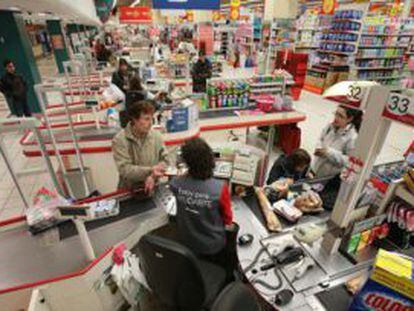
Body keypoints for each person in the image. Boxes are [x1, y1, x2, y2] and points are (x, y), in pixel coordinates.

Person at [169, 138, 233, 264]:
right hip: (212, 245)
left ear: (187, 162)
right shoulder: (220, 188)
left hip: (186, 242)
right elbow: (228, 220)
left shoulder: (175, 184)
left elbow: (180, 181)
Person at [112, 100, 169, 193]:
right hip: (128, 191)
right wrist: (151, 170)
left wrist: (153, 176)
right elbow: (125, 169)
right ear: (134, 120)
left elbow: (165, 159)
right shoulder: (119, 140)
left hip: (152, 187)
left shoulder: (156, 136)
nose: (151, 123)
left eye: (151, 118)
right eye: (146, 119)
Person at [312, 105, 363, 178]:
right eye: (336, 114)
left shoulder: (352, 137)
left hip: (328, 177)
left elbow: (349, 161)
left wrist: (328, 152)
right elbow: (320, 138)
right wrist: (319, 147)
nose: (336, 118)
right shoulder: (330, 126)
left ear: (349, 119)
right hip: (315, 168)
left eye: (340, 116)